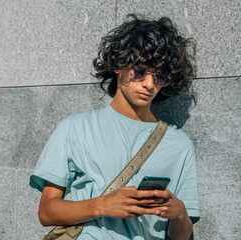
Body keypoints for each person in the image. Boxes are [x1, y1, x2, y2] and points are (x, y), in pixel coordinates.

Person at [30, 14, 200, 240]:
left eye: (160, 76)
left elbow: (181, 236)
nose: (149, 84)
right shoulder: (76, 128)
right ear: (119, 65)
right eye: (140, 70)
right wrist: (102, 206)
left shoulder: (179, 145)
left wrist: (179, 214)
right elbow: (46, 212)